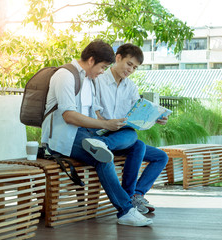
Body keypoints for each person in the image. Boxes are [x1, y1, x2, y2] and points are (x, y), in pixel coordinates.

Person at [41, 39, 153, 227]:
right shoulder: (65, 76)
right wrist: (105, 125)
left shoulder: (89, 80)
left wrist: (107, 126)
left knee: (133, 138)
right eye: (102, 67)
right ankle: (126, 211)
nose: (102, 72)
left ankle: (103, 146)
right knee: (103, 158)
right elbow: (69, 116)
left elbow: (95, 112)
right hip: (65, 137)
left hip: (88, 134)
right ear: (91, 60)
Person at [95, 43, 169, 214]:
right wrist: (107, 124)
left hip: (123, 137)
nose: (130, 70)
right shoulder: (98, 80)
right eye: (129, 64)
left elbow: (137, 114)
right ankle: (129, 198)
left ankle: (136, 194)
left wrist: (155, 118)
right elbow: (94, 112)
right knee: (138, 144)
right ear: (118, 58)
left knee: (160, 156)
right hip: (103, 132)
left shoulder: (131, 87)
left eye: (134, 68)